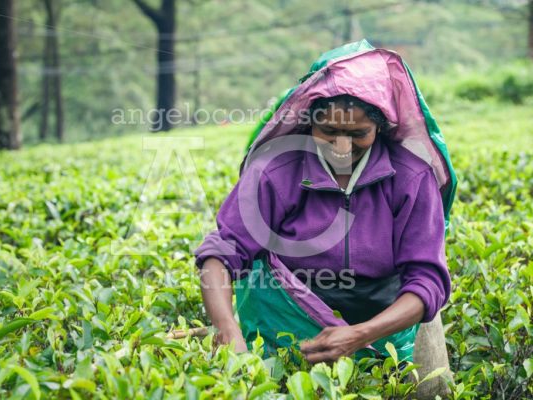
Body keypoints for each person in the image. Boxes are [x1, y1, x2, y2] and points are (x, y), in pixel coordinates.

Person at [194, 43, 453, 364]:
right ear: (308, 123)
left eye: (359, 133)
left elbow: (427, 279)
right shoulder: (277, 171)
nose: (342, 146)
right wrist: (227, 330)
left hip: (382, 327)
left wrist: (361, 334)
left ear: (381, 128)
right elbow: (222, 253)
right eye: (328, 131)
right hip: (286, 321)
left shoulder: (411, 178)